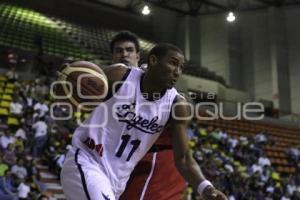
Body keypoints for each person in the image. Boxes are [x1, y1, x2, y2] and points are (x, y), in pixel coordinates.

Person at [61, 43, 227, 200]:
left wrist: (206, 188)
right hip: (86, 161)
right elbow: (83, 87)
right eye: (173, 63)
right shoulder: (121, 76)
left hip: (116, 182)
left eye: (181, 67)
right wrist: (68, 80)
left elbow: (183, 159)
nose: (177, 71)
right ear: (153, 61)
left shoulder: (177, 106)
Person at [110, 31, 186, 200]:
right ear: (112, 58)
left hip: (153, 161)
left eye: (129, 50)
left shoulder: (160, 85)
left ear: (139, 56)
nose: (124, 54)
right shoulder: (109, 82)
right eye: (119, 51)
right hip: (118, 162)